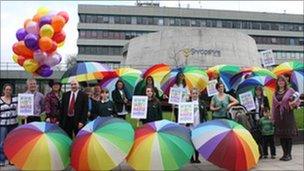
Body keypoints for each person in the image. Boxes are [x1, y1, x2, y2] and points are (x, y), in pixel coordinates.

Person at [272, 76, 300, 161]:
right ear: (277, 83)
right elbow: (273, 106)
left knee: (288, 136)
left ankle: (289, 154)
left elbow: (297, 100)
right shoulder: (275, 93)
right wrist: (272, 117)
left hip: (287, 115)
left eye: (282, 81)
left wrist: (292, 105)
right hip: (278, 116)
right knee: (282, 136)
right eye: (279, 81)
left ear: (285, 82)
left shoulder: (290, 91)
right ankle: (284, 154)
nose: (281, 82)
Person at [188, 88, 207, 163]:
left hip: (199, 125)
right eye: (193, 93)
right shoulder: (188, 103)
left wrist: (205, 122)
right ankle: (191, 158)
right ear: (191, 94)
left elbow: (205, 114)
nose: (195, 95)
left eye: (196, 93)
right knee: (191, 142)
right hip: (190, 125)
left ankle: (197, 158)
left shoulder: (201, 103)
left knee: (197, 142)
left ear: (198, 94)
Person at [0, 84, 18, 166]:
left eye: (10, 89)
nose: (8, 91)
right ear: (3, 90)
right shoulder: (0, 100)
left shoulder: (15, 99)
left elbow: (22, 107)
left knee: (12, 143)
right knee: (2, 143)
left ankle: (11, 159)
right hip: (3, 125)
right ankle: (2, 160)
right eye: (7, 89)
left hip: (14, 124)